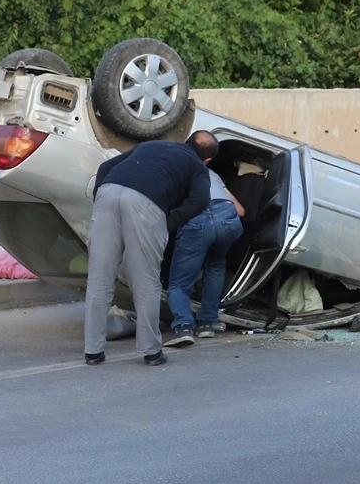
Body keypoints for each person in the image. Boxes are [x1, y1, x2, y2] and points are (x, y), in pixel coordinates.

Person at [83, 131, 217, 367]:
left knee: (99, 277)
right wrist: (169, 223)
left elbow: (105, 167)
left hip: (109, 191)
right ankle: (151, 352)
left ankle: (93, 351)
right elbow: (201, 200)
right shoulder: (197, 167)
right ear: (207, 160)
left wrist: (101, 201)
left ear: (185, 140)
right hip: (147, 204)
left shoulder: (151, 146)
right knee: (146, 281)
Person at [164, 168, 245, 347]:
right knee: (215, 265)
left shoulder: (168, 172)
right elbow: (240, 211)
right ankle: (207, 323)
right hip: (228, 217)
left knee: (179, 283)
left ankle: (184, 327)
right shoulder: (210, 172)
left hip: (197, 219)